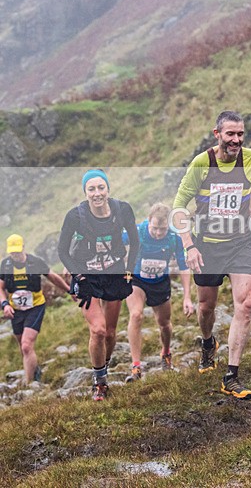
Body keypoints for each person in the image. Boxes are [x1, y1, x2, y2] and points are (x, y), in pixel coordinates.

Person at [172, 110, 251, 400]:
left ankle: (231, 376)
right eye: (230, 134)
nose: (236, 140)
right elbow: (179, 206)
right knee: (206, 307)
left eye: (240, 134)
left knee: (246, 303)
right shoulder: (202, 164)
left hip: (240, 243)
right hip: (206, 245)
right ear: (217, 134)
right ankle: (208, 343)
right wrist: (188, 245)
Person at [57, 169, 140, 401]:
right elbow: (62, 251)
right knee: (99, 330)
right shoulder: (75, 216)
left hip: (113, 273)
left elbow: (134, 241)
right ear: (85, 193)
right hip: (87, 276)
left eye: (100, 187)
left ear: (108, 189)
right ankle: (100, 383)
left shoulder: (122, 209)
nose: (97, 193)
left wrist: (129, 271)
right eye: (91, 189)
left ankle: (102, 365)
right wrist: (79, 277)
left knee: (111, 333)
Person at [123, 203, 195, 382]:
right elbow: (113, 241)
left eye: (162, 229)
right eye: (154, 228)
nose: (158, 233)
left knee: (164, 324)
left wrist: (187, 297)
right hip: (137, 280)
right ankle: (136, 367)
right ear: (148, 222)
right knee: (136, 315)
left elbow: (183, 266)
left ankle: (166, 354)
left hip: (160, 282)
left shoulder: (173, 237)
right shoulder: (138, 231)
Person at [0, 234, 71, 385]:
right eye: (12, 253)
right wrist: (4, 304)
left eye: (17, 252)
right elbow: (0, 287)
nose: (15, 255)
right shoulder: (5, 265)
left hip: (35, 307)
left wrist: (68, 290)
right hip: (15, 310)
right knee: (23, 346)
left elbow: (52, 277)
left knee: (26, 345)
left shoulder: (35, 262)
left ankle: (29, 384)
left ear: (23, 248)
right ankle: (34, 369)